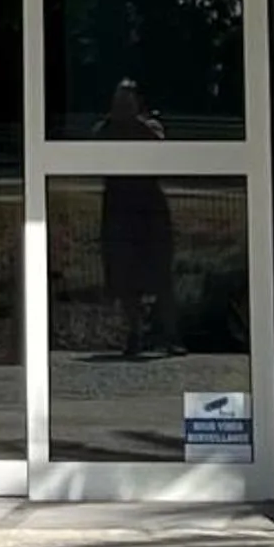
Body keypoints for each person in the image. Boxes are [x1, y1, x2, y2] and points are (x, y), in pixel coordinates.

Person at [97, 79, 175, 356]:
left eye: (128, 99)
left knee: (159, 268)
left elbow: (159, 148)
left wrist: (135, 122)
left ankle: (167, 334)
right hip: (119, 205)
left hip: (147, 204)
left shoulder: (149, 127)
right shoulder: (106, 128)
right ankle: (134, 333)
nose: (122, 105)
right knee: (124, 272)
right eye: (119, 99)